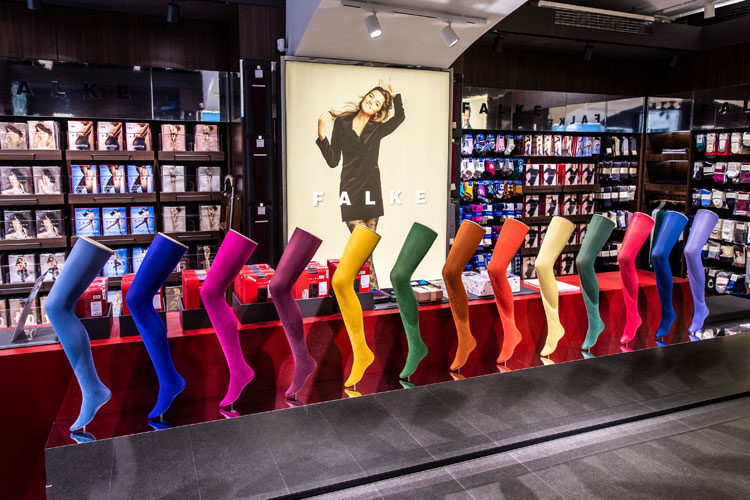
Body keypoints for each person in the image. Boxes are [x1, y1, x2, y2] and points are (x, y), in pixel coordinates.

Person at [316, 81, 404, 288]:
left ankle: (371, 294)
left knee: (366, 252)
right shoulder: (342, 123)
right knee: (364, 250)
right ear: (365, 96)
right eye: (371, 96)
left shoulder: (377, 129)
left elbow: (400, 117)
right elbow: (333, 161)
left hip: (371, 191)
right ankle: (371, 294)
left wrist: (396, 96)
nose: (371, 102)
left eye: (377, 103)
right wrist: (321, 136)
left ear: (378, 112)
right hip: (350, 191)